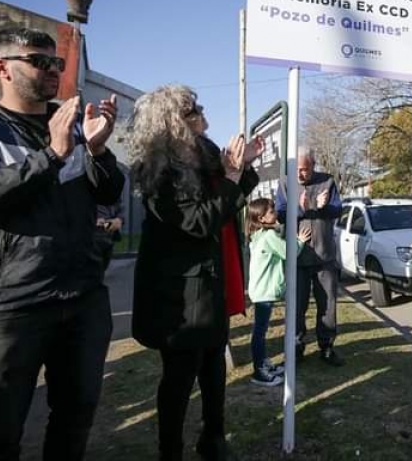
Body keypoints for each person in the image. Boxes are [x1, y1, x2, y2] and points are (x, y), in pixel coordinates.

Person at [0, 27, 125, 461]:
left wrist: (95, 150)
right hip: (8, 306)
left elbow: (108, 191)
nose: (52, 69)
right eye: (39, 61)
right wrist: (51, 156)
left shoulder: (68, 123)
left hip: (80, 299)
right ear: (2, 68)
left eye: (56, 62)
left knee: (75, 419)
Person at [128, 85, 262, 461]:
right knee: (180, 375)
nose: (202, 113)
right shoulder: (158, 170)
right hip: (178, 294)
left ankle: (213, 439)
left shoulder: (203, 152)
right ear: (172, 122)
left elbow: (228, 198)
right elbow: (200, 220)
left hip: (211, 280)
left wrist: (244, 166)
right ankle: (170, 450)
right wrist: (235, 176)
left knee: (214, 367)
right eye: (192, 110)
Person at [275, 147, 344, 366]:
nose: (300, 174)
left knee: (328, 304)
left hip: (325, 257)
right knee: (297, 305)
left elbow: (337, 210)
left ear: (313, 165)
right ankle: (295, 347)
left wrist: (324, 207)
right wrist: (300, 208)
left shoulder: (328, 181)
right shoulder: (286, 184)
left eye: (304, 170)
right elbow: (280, 214)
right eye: (296, 169)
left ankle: (326, 346)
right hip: (298, 258)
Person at [246, 197, 312, 387]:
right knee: (259, 332)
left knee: (260, 330)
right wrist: (299, 241)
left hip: (260, 290)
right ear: (262, 219)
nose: (275, 212)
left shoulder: (258, 235)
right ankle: (259, 371)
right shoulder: (268, 237)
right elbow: (288, 252)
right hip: (264, 292)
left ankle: (263, 364)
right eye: (271, 211)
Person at [94, 196, 124, 275]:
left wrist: (119, 219)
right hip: (92, 233)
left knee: (100, 272)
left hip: (107, 233)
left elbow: (119, 206)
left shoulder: (109, 187)